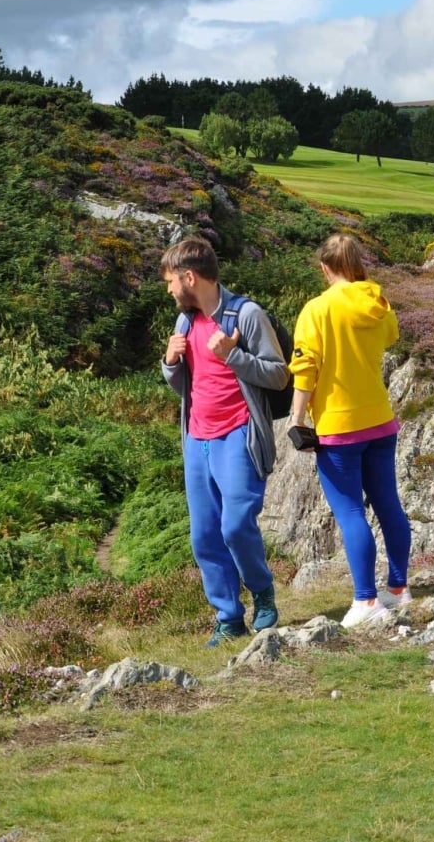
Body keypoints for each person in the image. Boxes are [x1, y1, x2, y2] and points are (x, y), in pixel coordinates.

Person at [160, 236, 287, 647]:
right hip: (197, 439)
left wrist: (233, 355)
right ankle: (229, 618)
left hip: (238, 434)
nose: (169, 290)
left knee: (235, 526)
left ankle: (262, 592)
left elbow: (278, 374)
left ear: (190, 277)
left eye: (171, 281)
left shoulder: (246, 315)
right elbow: (185, 384)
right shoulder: (185, 322)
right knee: (204, 536)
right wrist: (170, 363)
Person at [288, 233, 412, 628]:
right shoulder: (378, 303)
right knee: (389, 504)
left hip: (339, 427)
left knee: (351, 512)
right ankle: (398, 588)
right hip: (380, 419)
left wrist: (297, 419)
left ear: (325, 267)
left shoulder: (317, 309)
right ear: (357, 263)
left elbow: (305, 368)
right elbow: (391, 335)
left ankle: (365, 600)